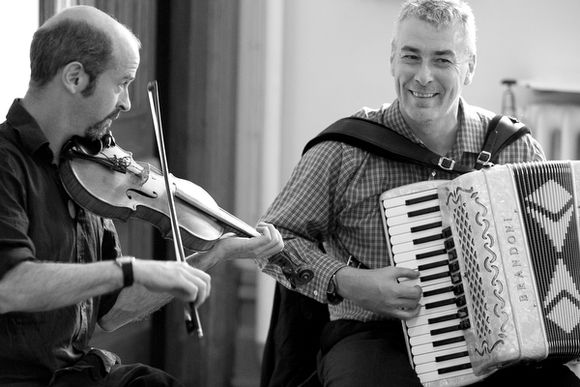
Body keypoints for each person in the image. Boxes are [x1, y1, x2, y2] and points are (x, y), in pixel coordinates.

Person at [256, 0, 580, 386]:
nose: (423, 76)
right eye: (411, 57)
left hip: (503, 344)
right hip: (374, 336)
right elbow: (271, 241)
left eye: (443, 60)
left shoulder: (513, 148)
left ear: (470, 66)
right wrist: (346, 281)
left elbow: (557, 249)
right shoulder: (345, 149)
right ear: (393, 59)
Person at [0, 5, 284, 387]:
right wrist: (130, 268)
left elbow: (111, 312)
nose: (128, 103)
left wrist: (213, 254)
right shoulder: (6, 164)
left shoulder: (86, 169)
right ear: (74, 77)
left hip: (79, 374)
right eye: (121, 83)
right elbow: (9, 286)